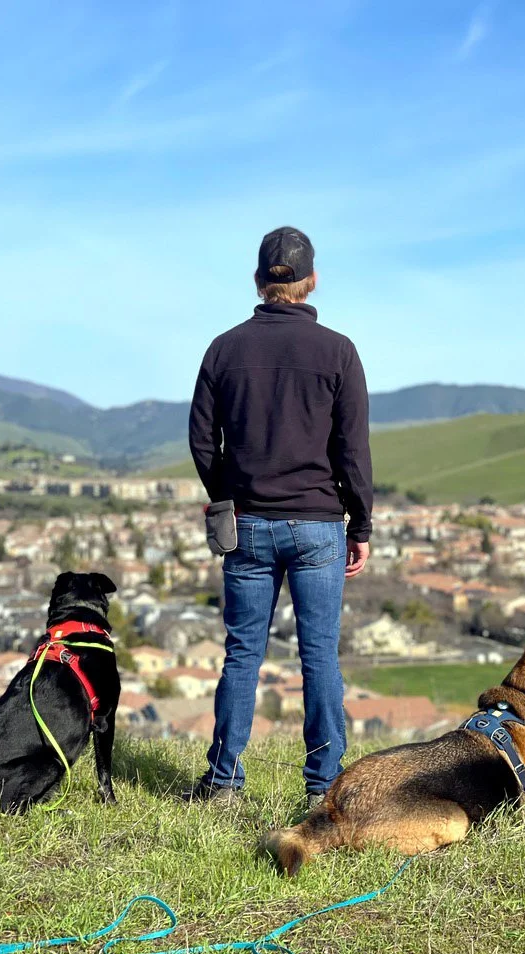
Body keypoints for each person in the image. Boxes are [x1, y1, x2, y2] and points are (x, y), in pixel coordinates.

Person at [186, 226, 372, 809]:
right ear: (312, 280)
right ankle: (323, 789)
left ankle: (224, 783)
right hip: (319, 524)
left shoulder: (224, 348)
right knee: (318, 656)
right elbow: (353, 450)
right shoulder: (338, 351)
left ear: (260, 281)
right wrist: (360, 525)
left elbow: (199, 438)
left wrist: (227, 493)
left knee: (243, 653)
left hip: (247, 523)